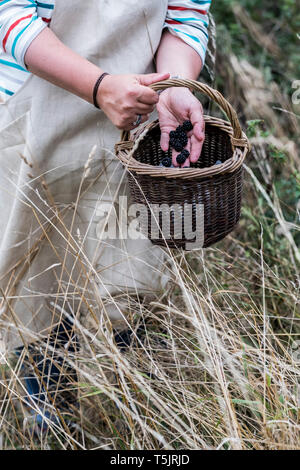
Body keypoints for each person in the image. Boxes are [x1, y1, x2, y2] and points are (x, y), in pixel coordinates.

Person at [0, 0, 211, 429]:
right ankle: (50, 419)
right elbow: (7, 11)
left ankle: (136, 414)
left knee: (132, 271)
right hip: (34, 107)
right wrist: (97, 87)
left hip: (138, 116)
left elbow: (185, 15)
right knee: (39, 276)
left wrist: (174, 86)